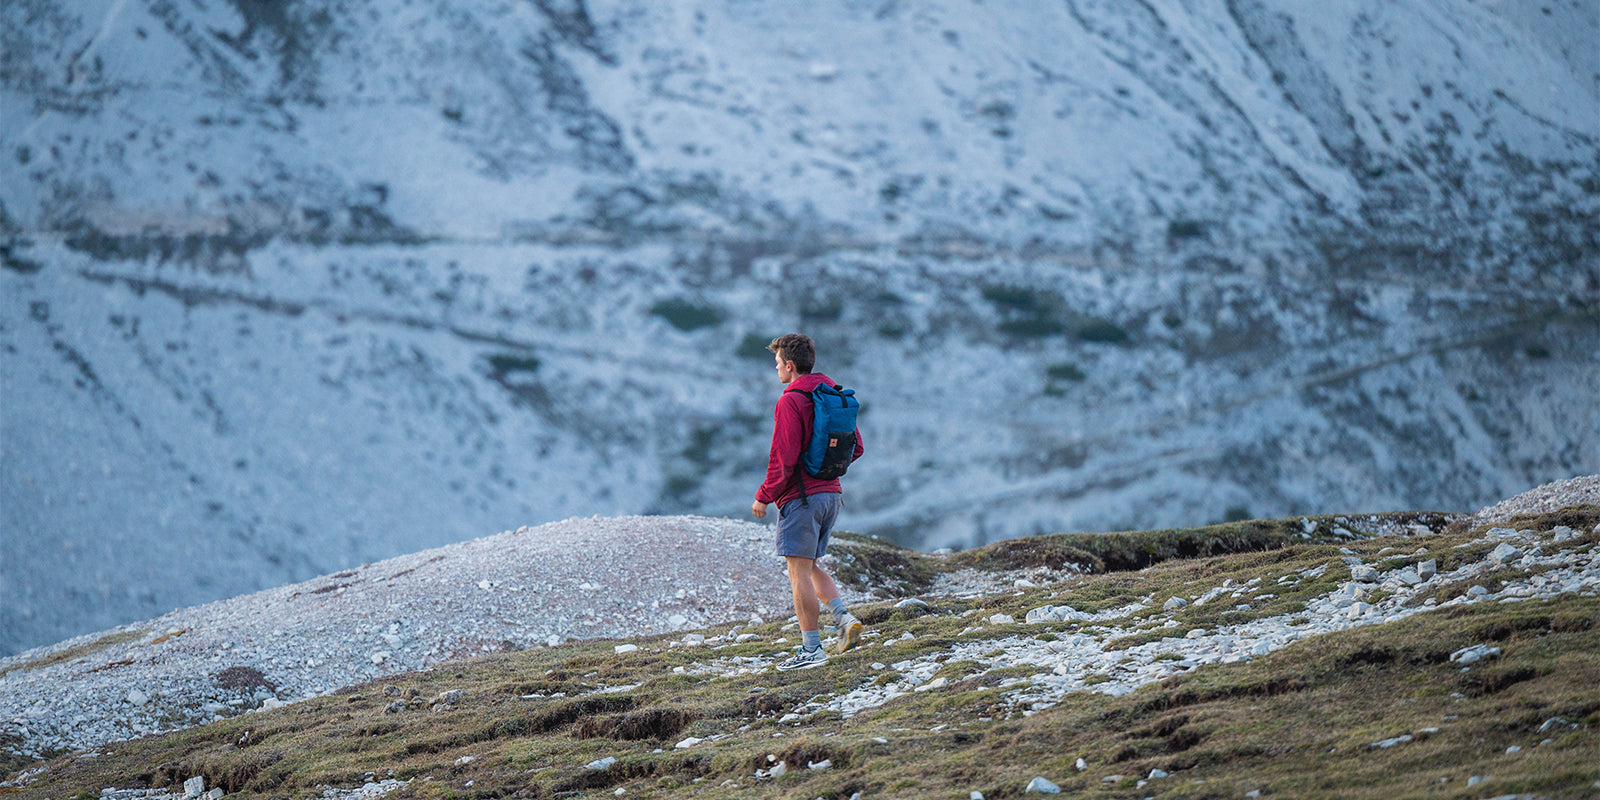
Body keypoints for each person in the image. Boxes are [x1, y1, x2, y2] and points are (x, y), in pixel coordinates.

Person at [751, 333, 866, 671]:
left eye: (777, 365)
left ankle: (811, 650)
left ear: (789, 365)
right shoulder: (832, 394)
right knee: (811, 564)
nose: (776, 371)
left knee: (797, 571)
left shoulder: (791, 400)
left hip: (802, 498)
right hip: (831, 494)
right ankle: (843, 619)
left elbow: (783, 457)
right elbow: (855, 447)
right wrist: (825, 474)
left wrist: (764, 495)